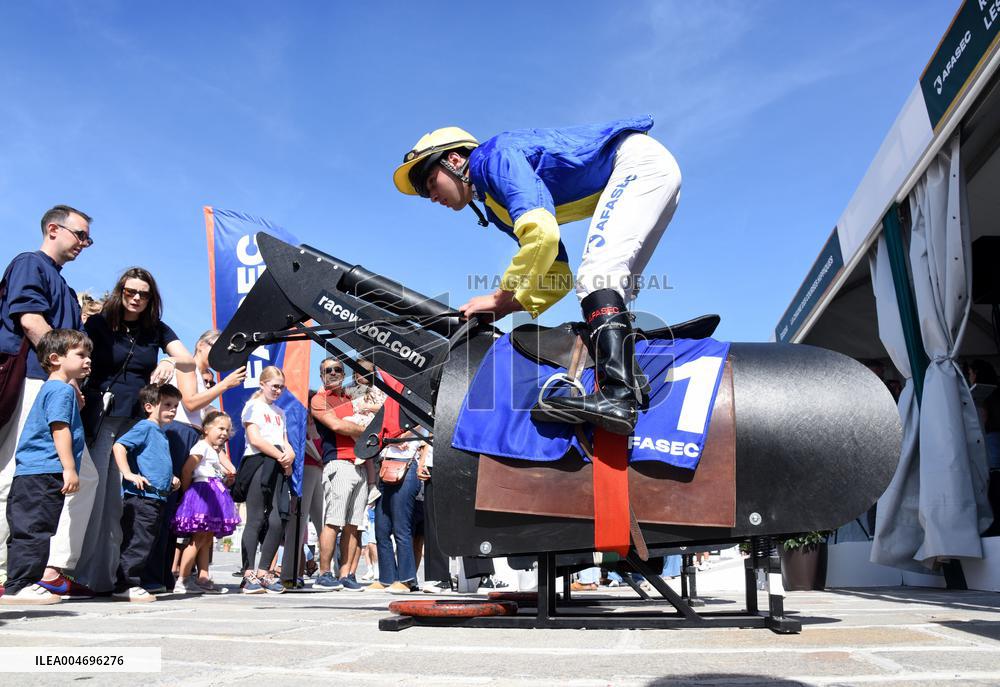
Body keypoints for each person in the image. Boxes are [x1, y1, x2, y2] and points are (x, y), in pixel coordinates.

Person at [394, 117, 681, 435]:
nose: (432, 196)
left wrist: (497, 297)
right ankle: (629, 375)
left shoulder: (493, 158)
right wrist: (507, 307)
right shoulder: (496, 207)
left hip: (636, 162)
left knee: (599, 275)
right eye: (424, 193)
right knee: (611, 285)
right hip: (652, 170)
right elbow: (557, 275)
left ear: (454, 159)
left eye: (430, 182)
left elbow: (541, 235)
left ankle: (618, 395)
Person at [75, 267, 194, 594]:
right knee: (94, 494)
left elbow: (189, 360)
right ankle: (78, 575)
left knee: (123, 501)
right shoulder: (99, 324)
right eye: (131, 292)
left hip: (134, 422)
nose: (136, 298)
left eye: (143, 293)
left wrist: (171, 362)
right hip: (102, 416)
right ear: (120, 291)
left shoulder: (156, 329)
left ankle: (113, 577)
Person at [0, 206, 96, 596]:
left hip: (57, 386)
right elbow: (30, 320)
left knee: (83, 475)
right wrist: (62, 375)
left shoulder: (67, 290)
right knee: (14, 475)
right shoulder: (30, 263)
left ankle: (51, 570)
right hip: (36, 382)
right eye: (80, 235)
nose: (84, 244)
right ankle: (11, 572)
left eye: (88, 239)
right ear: (54, 228)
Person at [1, 329, 91, 605]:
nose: (88, 360)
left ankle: (20, 581)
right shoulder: (62, 390)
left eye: (89, 355)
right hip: (44, 471)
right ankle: (21, 585)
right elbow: (60, 429)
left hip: (31, 472)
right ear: (55, 358)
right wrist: (70, 468)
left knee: (28, 528)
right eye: (81, 354)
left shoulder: (52, 389)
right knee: (37, 529)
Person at [154, 329, 245, 592]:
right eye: (219, 348)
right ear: (202, 345)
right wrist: (224, 385)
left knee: (188, 519)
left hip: (192, 436)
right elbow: (191, 403)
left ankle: (172, 575)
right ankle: (167, 573)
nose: (222, 355)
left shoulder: (203, 377)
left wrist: (225, 460)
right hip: (180, 433)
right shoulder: (189, 366)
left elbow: (204, 420)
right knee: (174, 506)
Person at [111, 383, 182, 603]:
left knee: (145, 541)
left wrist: (170, 478)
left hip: (156, 497)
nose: (172, 410)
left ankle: (133, 582)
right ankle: (126, 584)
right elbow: (119, 446)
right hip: (142, 498)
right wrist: (129, 474)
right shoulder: (146, 427)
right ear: (149, 406)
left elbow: (154, 461)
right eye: (167, 404)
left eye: (176, 406)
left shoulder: (161, 433)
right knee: (137, 541)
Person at [309, 357, 368, 592]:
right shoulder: (319, 399)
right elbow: (337, 426)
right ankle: (324, 573)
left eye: (337, 369)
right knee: (333, 521)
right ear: (321, 375)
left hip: (360, 464)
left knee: (354, 525)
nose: (333, 373)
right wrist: (367, 431)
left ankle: (346, 573)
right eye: (327, 370)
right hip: (338, 462)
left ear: (343, 374)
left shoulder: (351, 398)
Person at [171, 410, 240, 594]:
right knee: (198, 538)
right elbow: (187, 470)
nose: (224, 433)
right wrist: (187, 494)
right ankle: (183, 579)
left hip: (214, 492)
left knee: (207, 539)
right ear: (206, 429)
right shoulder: (201, 447)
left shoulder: (215, 451)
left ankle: (203, 577)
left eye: (227, 430)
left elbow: (224, 469)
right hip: (203, 493)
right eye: (220, 428)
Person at [238, 366, 292, 594]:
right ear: (263, 384)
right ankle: (248, 572)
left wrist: (290, 455)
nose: (278, 390)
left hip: (278, 463)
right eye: (274, 386)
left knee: (278, 520)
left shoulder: (280, 412)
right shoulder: (253, 407)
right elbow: (255, 439)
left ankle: (264, 572)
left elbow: (285, 439)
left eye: (281, 387)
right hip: (259, 462)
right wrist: (280, 454)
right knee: (256, 518)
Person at [372, 432, 426, 594]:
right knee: (381, 529)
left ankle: (407, 579)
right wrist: (390, 441)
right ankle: (387, 578)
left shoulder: (412, 413)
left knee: (401, 528)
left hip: (407, 468)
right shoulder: (386, 414)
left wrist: (390, 439)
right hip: (385, 468)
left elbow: (413, 430)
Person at [279, 403, 325, 589]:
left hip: (318, 471)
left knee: (324, 523)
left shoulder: (318, 425)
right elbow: (302, 444)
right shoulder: (297, 423)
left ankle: (328, 571)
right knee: (298, 522)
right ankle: (289, 573)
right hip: (303, 470)